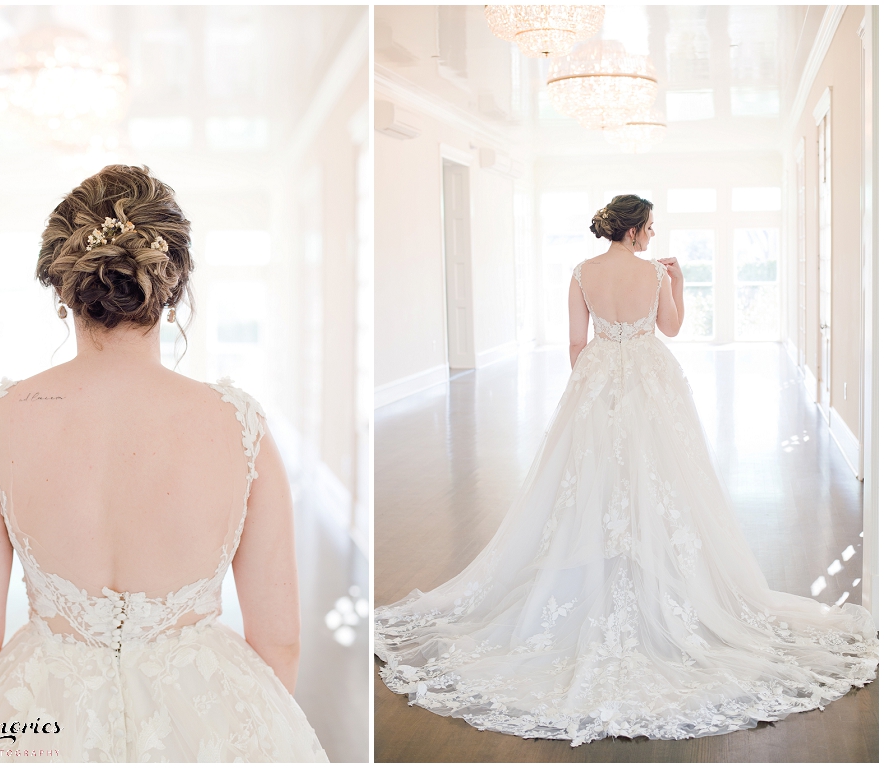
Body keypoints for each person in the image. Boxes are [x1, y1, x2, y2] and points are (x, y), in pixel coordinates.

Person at [374, 194, 877, 746]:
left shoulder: (581, 272)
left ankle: (589, 572)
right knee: (662, 482)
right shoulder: (655, 276)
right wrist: (678, 285)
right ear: (634, 230)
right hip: (650, 381)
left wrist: (594, 384)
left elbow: (575, 343)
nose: (653, 236)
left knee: (586, 485)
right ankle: (659, 577)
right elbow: (673, 329)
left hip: (596, 382)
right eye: (650, 227)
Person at [0, 165, 328, 762]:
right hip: (210, 716)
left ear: (63, 288)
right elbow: (280, 639)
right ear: (170, 291)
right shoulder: (238, 422)